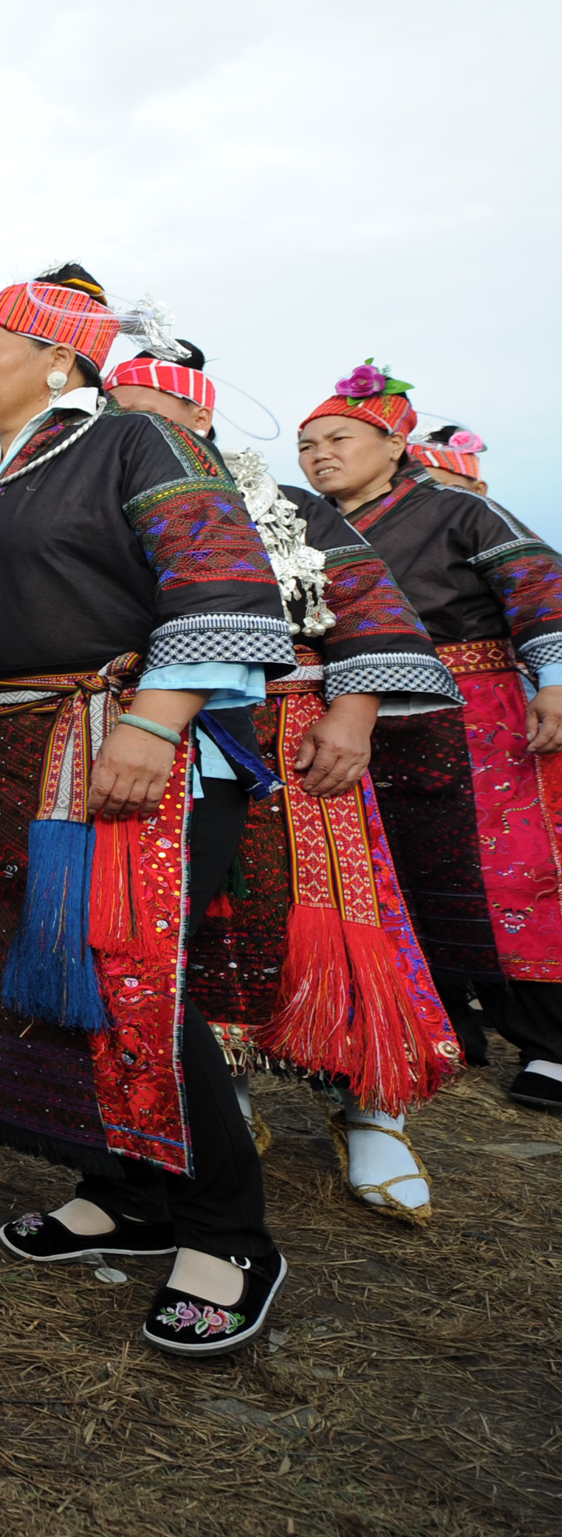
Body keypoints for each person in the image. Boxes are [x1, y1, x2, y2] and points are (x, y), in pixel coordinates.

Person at [0, 266, 293, 1358]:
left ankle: (228, 1233)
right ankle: (123, 1191)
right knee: (48, 976)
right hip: (1, 757)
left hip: (117, 746)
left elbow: (221, 586)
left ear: (61, 359)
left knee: (135, 979)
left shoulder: (135, 443)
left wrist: (155, 723)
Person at [101, 346, 462, 1224]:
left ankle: (373, 1106)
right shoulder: (101, 503)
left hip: (294, 735)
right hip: (162, 740)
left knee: (332, 918)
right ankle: (228, 1090)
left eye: (144, 414)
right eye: (113, 414)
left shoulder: (291, 509)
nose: (121, 431)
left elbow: (372, 603)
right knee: (199, 918)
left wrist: (354, 712)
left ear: (197, 421)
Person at [299, 362, 562, 1115]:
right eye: (307, 445)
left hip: (478, 712)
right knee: (395, 867)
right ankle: (441, 1023)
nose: (319, 455)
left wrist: (556, 681)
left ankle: (550, 1043)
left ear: (393, 444)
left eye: (339, 438)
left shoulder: (459, 510)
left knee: (507, 873)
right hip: (363, 711)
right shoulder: (311, 527)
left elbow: (542, 586)